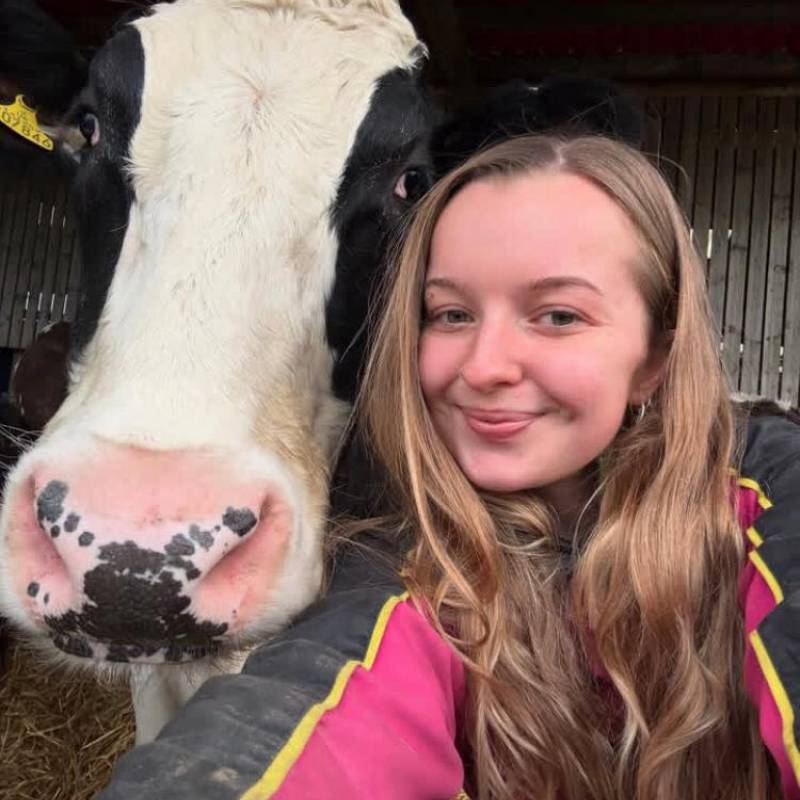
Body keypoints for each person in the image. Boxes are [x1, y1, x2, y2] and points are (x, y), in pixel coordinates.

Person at [98, 135, 800, 800]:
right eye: (451, 314)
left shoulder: (768, 493)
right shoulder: (403, 564)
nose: (484, 367)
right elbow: (314, 721)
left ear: (654, 360)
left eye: (558, 316)